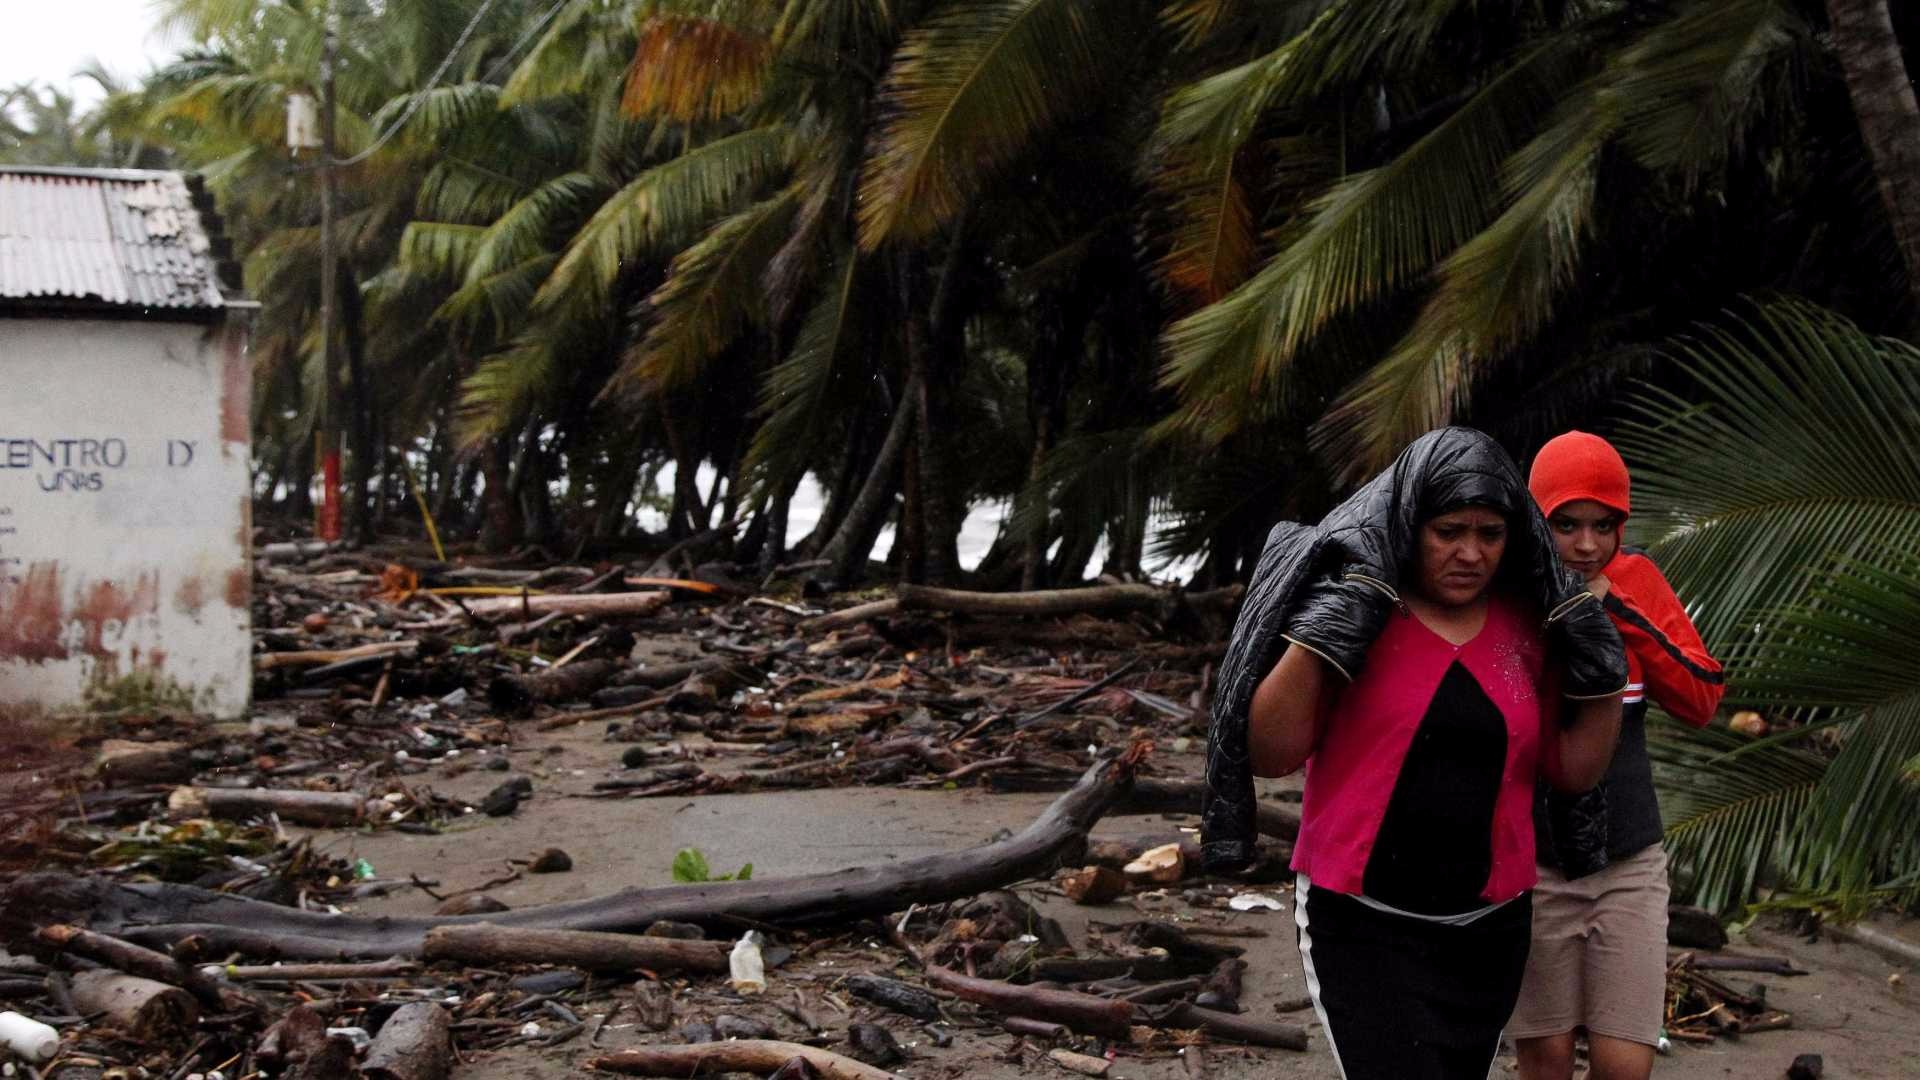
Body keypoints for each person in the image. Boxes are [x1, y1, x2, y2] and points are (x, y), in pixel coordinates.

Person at [1201, 427, 1627, 1080]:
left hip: (1491, 931)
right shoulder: (1360, 609)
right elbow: (1269, 751)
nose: (1470, 552)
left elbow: (1572, 771)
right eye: (1449, 531)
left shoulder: (1529, 627)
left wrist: (1604, 677)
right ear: (1409, 524)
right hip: (1361, 925)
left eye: (1490, 534)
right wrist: (1326, 631)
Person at [1511, 431, 1726, 1080]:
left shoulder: (1635, 582)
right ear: (1536, 520)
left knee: (1622, 1064)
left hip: (1631, 859)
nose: (1586, 545)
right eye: (1566, 523)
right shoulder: (1509, 592)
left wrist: (1620, 609)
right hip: (1538, 864)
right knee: (1546, 1058)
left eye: (1605, 525)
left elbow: (1701, 698)